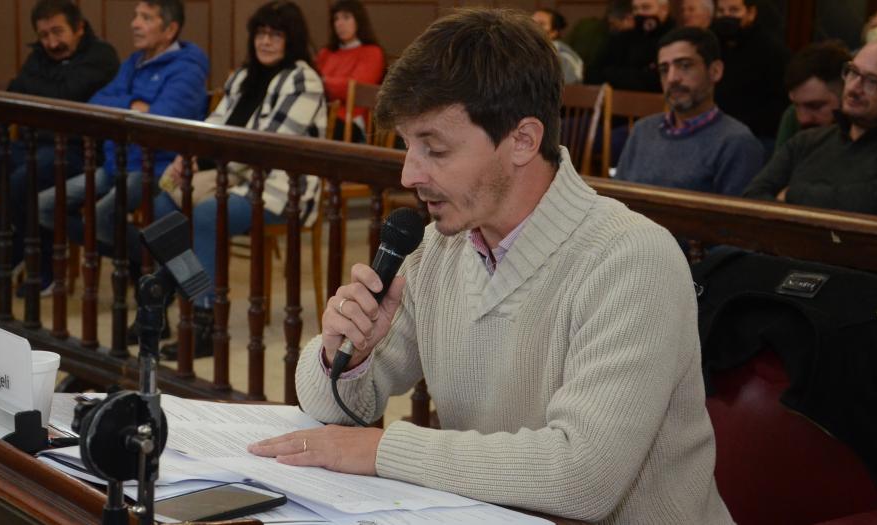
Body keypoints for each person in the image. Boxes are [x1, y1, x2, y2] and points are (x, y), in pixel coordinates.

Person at [248, 9, 732, 523]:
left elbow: (583, 477)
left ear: (522, 140)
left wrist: (380, 451)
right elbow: (330, 413)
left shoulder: (633, 260)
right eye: (407, 147)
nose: (410, 173)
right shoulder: (436, 250)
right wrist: (342, 357)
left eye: (434, 149)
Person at [147, 0, 326, 358]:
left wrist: (208, 169)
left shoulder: (303, 79)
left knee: (207, 214)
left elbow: (266, 146)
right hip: (232, 176)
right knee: (164, 200)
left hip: (280, 187)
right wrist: (190, 157)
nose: (266, 42)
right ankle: (170, 295)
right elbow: (215, 122)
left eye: (276, 35)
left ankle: (204, 321)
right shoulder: (245, 75)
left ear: (291, 40)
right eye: (261, 33)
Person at [0, 0, 119, 290]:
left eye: (58, 32)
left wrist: (39, 87)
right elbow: (15, 94)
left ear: (79, 28)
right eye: (44, 35)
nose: (52, 43)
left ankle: (44, 267)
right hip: (29, 143)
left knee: (22, 181)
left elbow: (64, 94)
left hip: (77, 149)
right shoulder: (37, 58)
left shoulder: (102, 55)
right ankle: (6, 252)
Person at [37, 0, 208, 291]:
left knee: (102, 215)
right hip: (117, 161)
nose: (134, 24)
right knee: (46, 205)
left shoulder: (188, 68)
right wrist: (132, 104)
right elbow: (97, 101)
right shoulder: (135, 62)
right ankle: (153, 266)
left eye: (145, 18)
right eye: (135, 16)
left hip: (157, 166)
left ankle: (160, 273)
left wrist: (139, 109)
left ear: (170, 30)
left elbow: (161, 117)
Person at [743, 36, 877, 216]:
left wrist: (793, 194)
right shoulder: (806, 141)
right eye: (853, 72)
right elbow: (752, 199)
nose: (854, 88)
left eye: (872, 82)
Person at [616, 27, 763, 195]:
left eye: (685, 66)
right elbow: (616, 203)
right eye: (664, 70)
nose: (672, 78)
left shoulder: (737, 143)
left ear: (715, 71)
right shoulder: (642, 130)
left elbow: (735, 220)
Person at [711, 0, 789, 145]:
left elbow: (779, 103)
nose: (726, 16)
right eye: (721, 11)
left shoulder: (771, 51)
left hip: (756, 136)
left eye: (734, 10)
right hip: (715, 132)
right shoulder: (713, 45)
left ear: (750, 13)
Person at [315, 0, 384, 143]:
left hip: (349, 120)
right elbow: (311, 82)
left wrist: (322, 82)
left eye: (346, 17)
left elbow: (355, 88)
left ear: (359, 21)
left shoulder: (372, 52)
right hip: (320, 111)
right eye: (336, 19)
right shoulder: (326, 52)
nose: (339, 23)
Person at [774, 41, 850, 150]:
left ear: (846, 97)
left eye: (815, 106)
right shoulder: (791, 116)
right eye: (796, 105)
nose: (802, 118)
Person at [586, 0, 676, 92]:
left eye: (646, 8)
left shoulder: (675, 40)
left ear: (664, 9)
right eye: (635, 9)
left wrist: (613, 75)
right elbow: (593, 73)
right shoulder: (622, 38)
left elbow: (658, 81)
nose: (639, 13)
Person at [532, 8, 584, 85]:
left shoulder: (563, 57)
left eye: (541, 24)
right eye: (531, 22)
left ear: (554, 32)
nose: (533, 27)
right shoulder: (525, 50)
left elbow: (568, 90)